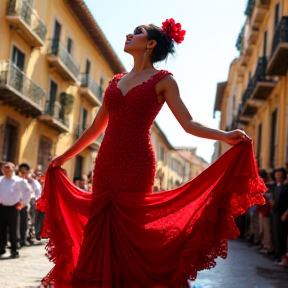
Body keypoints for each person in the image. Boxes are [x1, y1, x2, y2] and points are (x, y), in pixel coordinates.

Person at [38, 19, 265, 288]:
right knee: (100, 223)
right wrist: (64, 157)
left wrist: (225, 136)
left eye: (137, 32)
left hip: (137, 161)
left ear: (151, 44)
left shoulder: (164, 81)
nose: (128, 35)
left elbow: (189, 123)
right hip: (107, 161)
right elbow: (95, 128)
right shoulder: (116, 81)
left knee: (130, 226)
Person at [0, 162, 31, 258]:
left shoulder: (19, 181)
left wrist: (23, 203)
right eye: (4, 168)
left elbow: (27, 192)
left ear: (13, 169)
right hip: (1, 207)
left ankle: (14, 250)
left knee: (13, 230)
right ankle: (1, 249)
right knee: (1, 230)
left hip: (13, 208)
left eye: (8, 167)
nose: (6, 169)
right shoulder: (0, 180)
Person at [18, 163, 42, 245]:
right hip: (17, 202)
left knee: (29, 220)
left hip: (30, 202)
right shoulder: (17, 179)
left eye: (25, 171)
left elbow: (36, 193)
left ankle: (28, 237)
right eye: (21, 170)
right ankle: (20, 237)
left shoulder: (33, 182)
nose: (23, 172)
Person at [270, 167, 288, 263]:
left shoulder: (286, 187)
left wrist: (285, 214)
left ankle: (281, 255)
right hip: (275, 213)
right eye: (277, 175)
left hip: (282, 213)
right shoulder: (274, 187)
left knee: (281, 235)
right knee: (275, 234)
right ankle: (276, 253)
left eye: (280, 175)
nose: (278, 176)